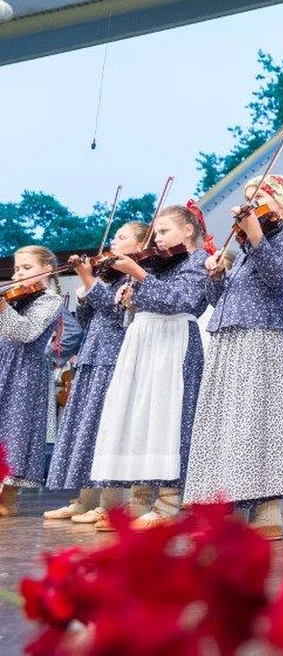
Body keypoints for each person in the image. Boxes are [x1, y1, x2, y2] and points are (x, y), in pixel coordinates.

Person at [185, 175, 283, 540]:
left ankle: (267, 508)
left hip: (262, 335)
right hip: (227, 336)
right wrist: (216, 275)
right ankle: (224, 505)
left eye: (259, 197)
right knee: (225, 421)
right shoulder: (242, 246)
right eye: (247, 199)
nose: (249, 205)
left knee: (259, 419)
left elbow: (277, 279)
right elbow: (217, 298)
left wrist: (255, 234)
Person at [89, 204, 211, 530]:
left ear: (188, 230)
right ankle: (139, 500)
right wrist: (132, 292)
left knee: (168, 418)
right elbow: (149, 296)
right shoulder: (160, 263)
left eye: (164, 231)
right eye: (156, 233)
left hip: (174, 339)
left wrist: (139, 275)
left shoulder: (199, 261)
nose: (157, 240)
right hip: (143, 340)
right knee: (139, 417)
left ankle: (169, 503)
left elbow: (181, 300)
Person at [43, 222, 148, 523]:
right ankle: (85, 499)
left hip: (115, 358)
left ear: (141, 245)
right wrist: (85, 292)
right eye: (115, 237)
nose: (114, 242)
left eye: (123, 237)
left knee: (105, 429)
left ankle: (111, 503)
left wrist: (89, 280)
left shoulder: (137, 277)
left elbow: (118, 315)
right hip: (92, 356)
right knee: (85, 430)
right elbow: (89, 317)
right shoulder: (109, 276)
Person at [0, 246, 66, 516]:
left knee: (17, 430)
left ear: (48, 270)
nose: (19, 273)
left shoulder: (51, 300)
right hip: (3, 365)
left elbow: (26, 332)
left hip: (25, 373)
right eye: (17, 268)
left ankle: (8, 497)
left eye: (26, 268)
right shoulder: (17, 298)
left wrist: (2, 305)